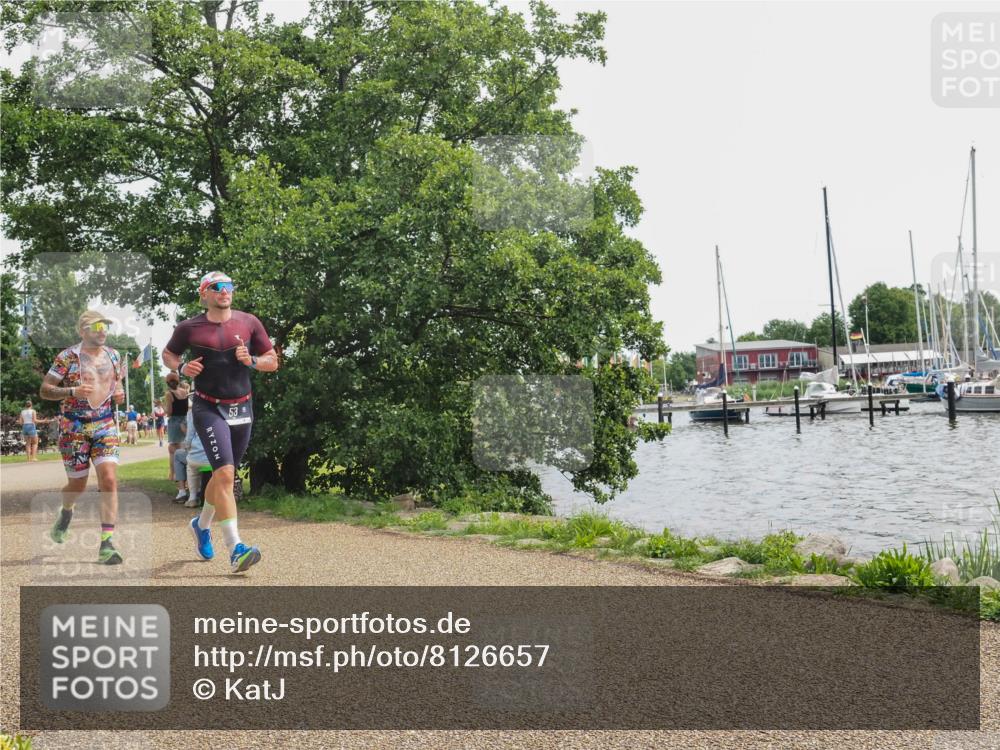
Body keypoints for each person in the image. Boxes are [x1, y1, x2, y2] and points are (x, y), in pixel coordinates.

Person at [163, 271, 279, 573]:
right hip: (208, 407)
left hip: (242, 408)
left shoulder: (249, 322)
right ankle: (236, 547)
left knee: (222, 477)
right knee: (226, 475)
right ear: (204, 294)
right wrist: (182, 367)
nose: (224, 291)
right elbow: (168, 354)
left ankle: (201, 525)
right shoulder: (189, 327)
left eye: (228, 286)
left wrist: (251, 361)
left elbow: (272, 360)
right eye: (217, 287)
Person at [39, 310, 126, 564]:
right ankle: (66, 511)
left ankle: (107, 544)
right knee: (77, 485)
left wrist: (119, 393)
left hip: (105, 425)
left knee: (109, 479)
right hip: (74, 428)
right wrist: (72, 391)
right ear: (82, 331)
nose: (102, 330)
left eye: (105, 326)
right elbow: (45, 390)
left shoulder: (114, 355)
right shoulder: (67, 357)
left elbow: (116, 384)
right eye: (97, 325)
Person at [164, 372, 190, 481]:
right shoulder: (185, 392)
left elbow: (169, 412)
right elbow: (187, 407)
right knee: (184, 448)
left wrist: (162, 407)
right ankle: (186, 474)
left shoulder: (169, 394)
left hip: (174, 422)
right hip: (185, 420)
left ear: (167, 383)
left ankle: (173, 475)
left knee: (173, 449)